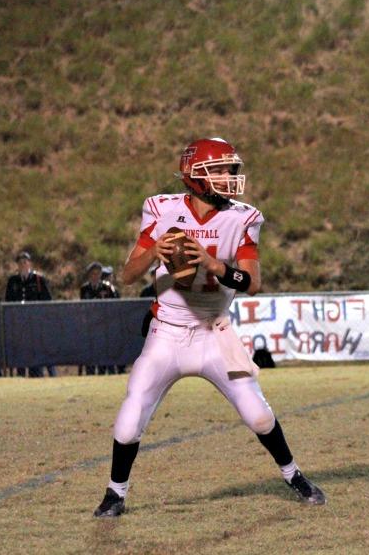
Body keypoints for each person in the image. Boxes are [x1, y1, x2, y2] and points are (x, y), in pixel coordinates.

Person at [92, 138, 325, 518]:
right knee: (129, 420)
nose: (228, 177)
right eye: (217, 170)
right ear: (194, 175)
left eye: (229, 170)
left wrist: (215, 266)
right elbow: (130, 274)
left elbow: (250, 282)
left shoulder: (244, 217)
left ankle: (293, 474)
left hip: (215, 332)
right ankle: (115, 494)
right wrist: (156, 252)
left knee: (259, 415)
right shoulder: (161, 208)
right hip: (166, 332)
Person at [4, 251, 54, 377]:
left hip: (36, 323)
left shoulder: (38, 279)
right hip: (19, 324)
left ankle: (37, 374)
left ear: (30, 263)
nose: (23, 265)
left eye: (25, 262)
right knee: (21, 351)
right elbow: (8, 301)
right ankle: (21, 376)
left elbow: (47, 300)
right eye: (20, 263)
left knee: (36, 351)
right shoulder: (13, 281)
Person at [80, 261, 121, 375]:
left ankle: (107, 373)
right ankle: (90, 373)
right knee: (91, 355)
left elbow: (115, 307)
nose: (95, 276)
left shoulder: (108, 288)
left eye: (98, 273)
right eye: (93, 273)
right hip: (91, 327)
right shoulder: (85, 289)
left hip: (105, 327)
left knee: (106, 355)